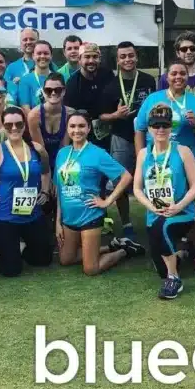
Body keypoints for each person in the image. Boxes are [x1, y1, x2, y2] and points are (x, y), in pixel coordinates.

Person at [135, 60, 195, 272]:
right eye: (173, 73)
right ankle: (176, 249)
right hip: (158, 163)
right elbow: (139, 128)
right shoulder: (154, 99)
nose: (178, 77)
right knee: (162, 203)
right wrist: (140, 159)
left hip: (190, 161)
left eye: (182, 73)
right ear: (166, 77)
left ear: (188, 77)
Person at [54, 110, 143, 276]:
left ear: (89, 129)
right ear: (67, 129)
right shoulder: (62, 154)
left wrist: (107, 201)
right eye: (72, 126)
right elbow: (60, 189)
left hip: (90, 216)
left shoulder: (97, 153)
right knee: (65, 260)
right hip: (68, 219)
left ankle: (123, 251)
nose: (77, 130)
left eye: (81, 126)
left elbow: (125, 177)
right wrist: (57, 222)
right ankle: (113, 245)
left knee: (91, 269)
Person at [133, 104, 195, 299]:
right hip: (154, 212)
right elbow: (137, 188)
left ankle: (174, 279)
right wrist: (151, 206)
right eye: (156, 125)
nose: (160, 129)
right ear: (150, 128)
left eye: (165, 125)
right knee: (160, 266)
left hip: (181, 212)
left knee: (160, 231)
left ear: (171, 127)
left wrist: (178, 206)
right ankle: (180, 254)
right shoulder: (144, 154)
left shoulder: (183, 151)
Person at [0, 106, 54, 276]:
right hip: (4, 216)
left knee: (44, 260)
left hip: (32, 213)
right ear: (3, 126)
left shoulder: (37, 149)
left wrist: (44, 191)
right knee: (11, 270)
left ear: (24, 125)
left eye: (18, 124)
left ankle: (17, 248)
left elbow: (46, 170)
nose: (14, 128)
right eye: (8, 125)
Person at [99, 41, 157, 240]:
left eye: (130, 55)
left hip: (149, 138)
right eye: (123, 56)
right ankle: (127, 222)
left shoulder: (149, 80)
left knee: (153, 178)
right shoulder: (111, 86)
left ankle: (155, 217)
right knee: (121, 181)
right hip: (122, 138)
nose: (127, 59)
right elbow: (101, 116)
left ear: (136, 56)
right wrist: (115, 115)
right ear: (117, 60)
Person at [64, 42, 115, 151]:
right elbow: (71, 116)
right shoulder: (73, 84)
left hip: (111, 132)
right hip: (84, 135)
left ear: (100, 59)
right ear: (79, 59)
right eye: (87, 57)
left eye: (95, 57)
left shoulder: (108, 75)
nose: (91, 61)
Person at [28, 72, 74, 176]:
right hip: (41, 159)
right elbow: (41, 151)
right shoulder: (34, 116)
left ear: (64, 91)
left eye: (57, 90)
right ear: (43, 92)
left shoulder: (70, 114)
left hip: (64, 159)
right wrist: (48, 179)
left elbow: (64, 148)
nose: (53, 93)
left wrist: (58, 177)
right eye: (48, 90)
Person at [158, 31, 195, 97]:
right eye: (184, 49)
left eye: (192, 49)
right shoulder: (166, 78)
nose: (188, 52)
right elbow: (160, 102)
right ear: (177, 53)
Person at [18, 40, 57, 114]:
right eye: (39, 53)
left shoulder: (59, 78)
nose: (42, 56)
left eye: (46, 53)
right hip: (34, 123)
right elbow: (25, 108)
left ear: (51, 56)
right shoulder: (25, 80)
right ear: (33, 56)